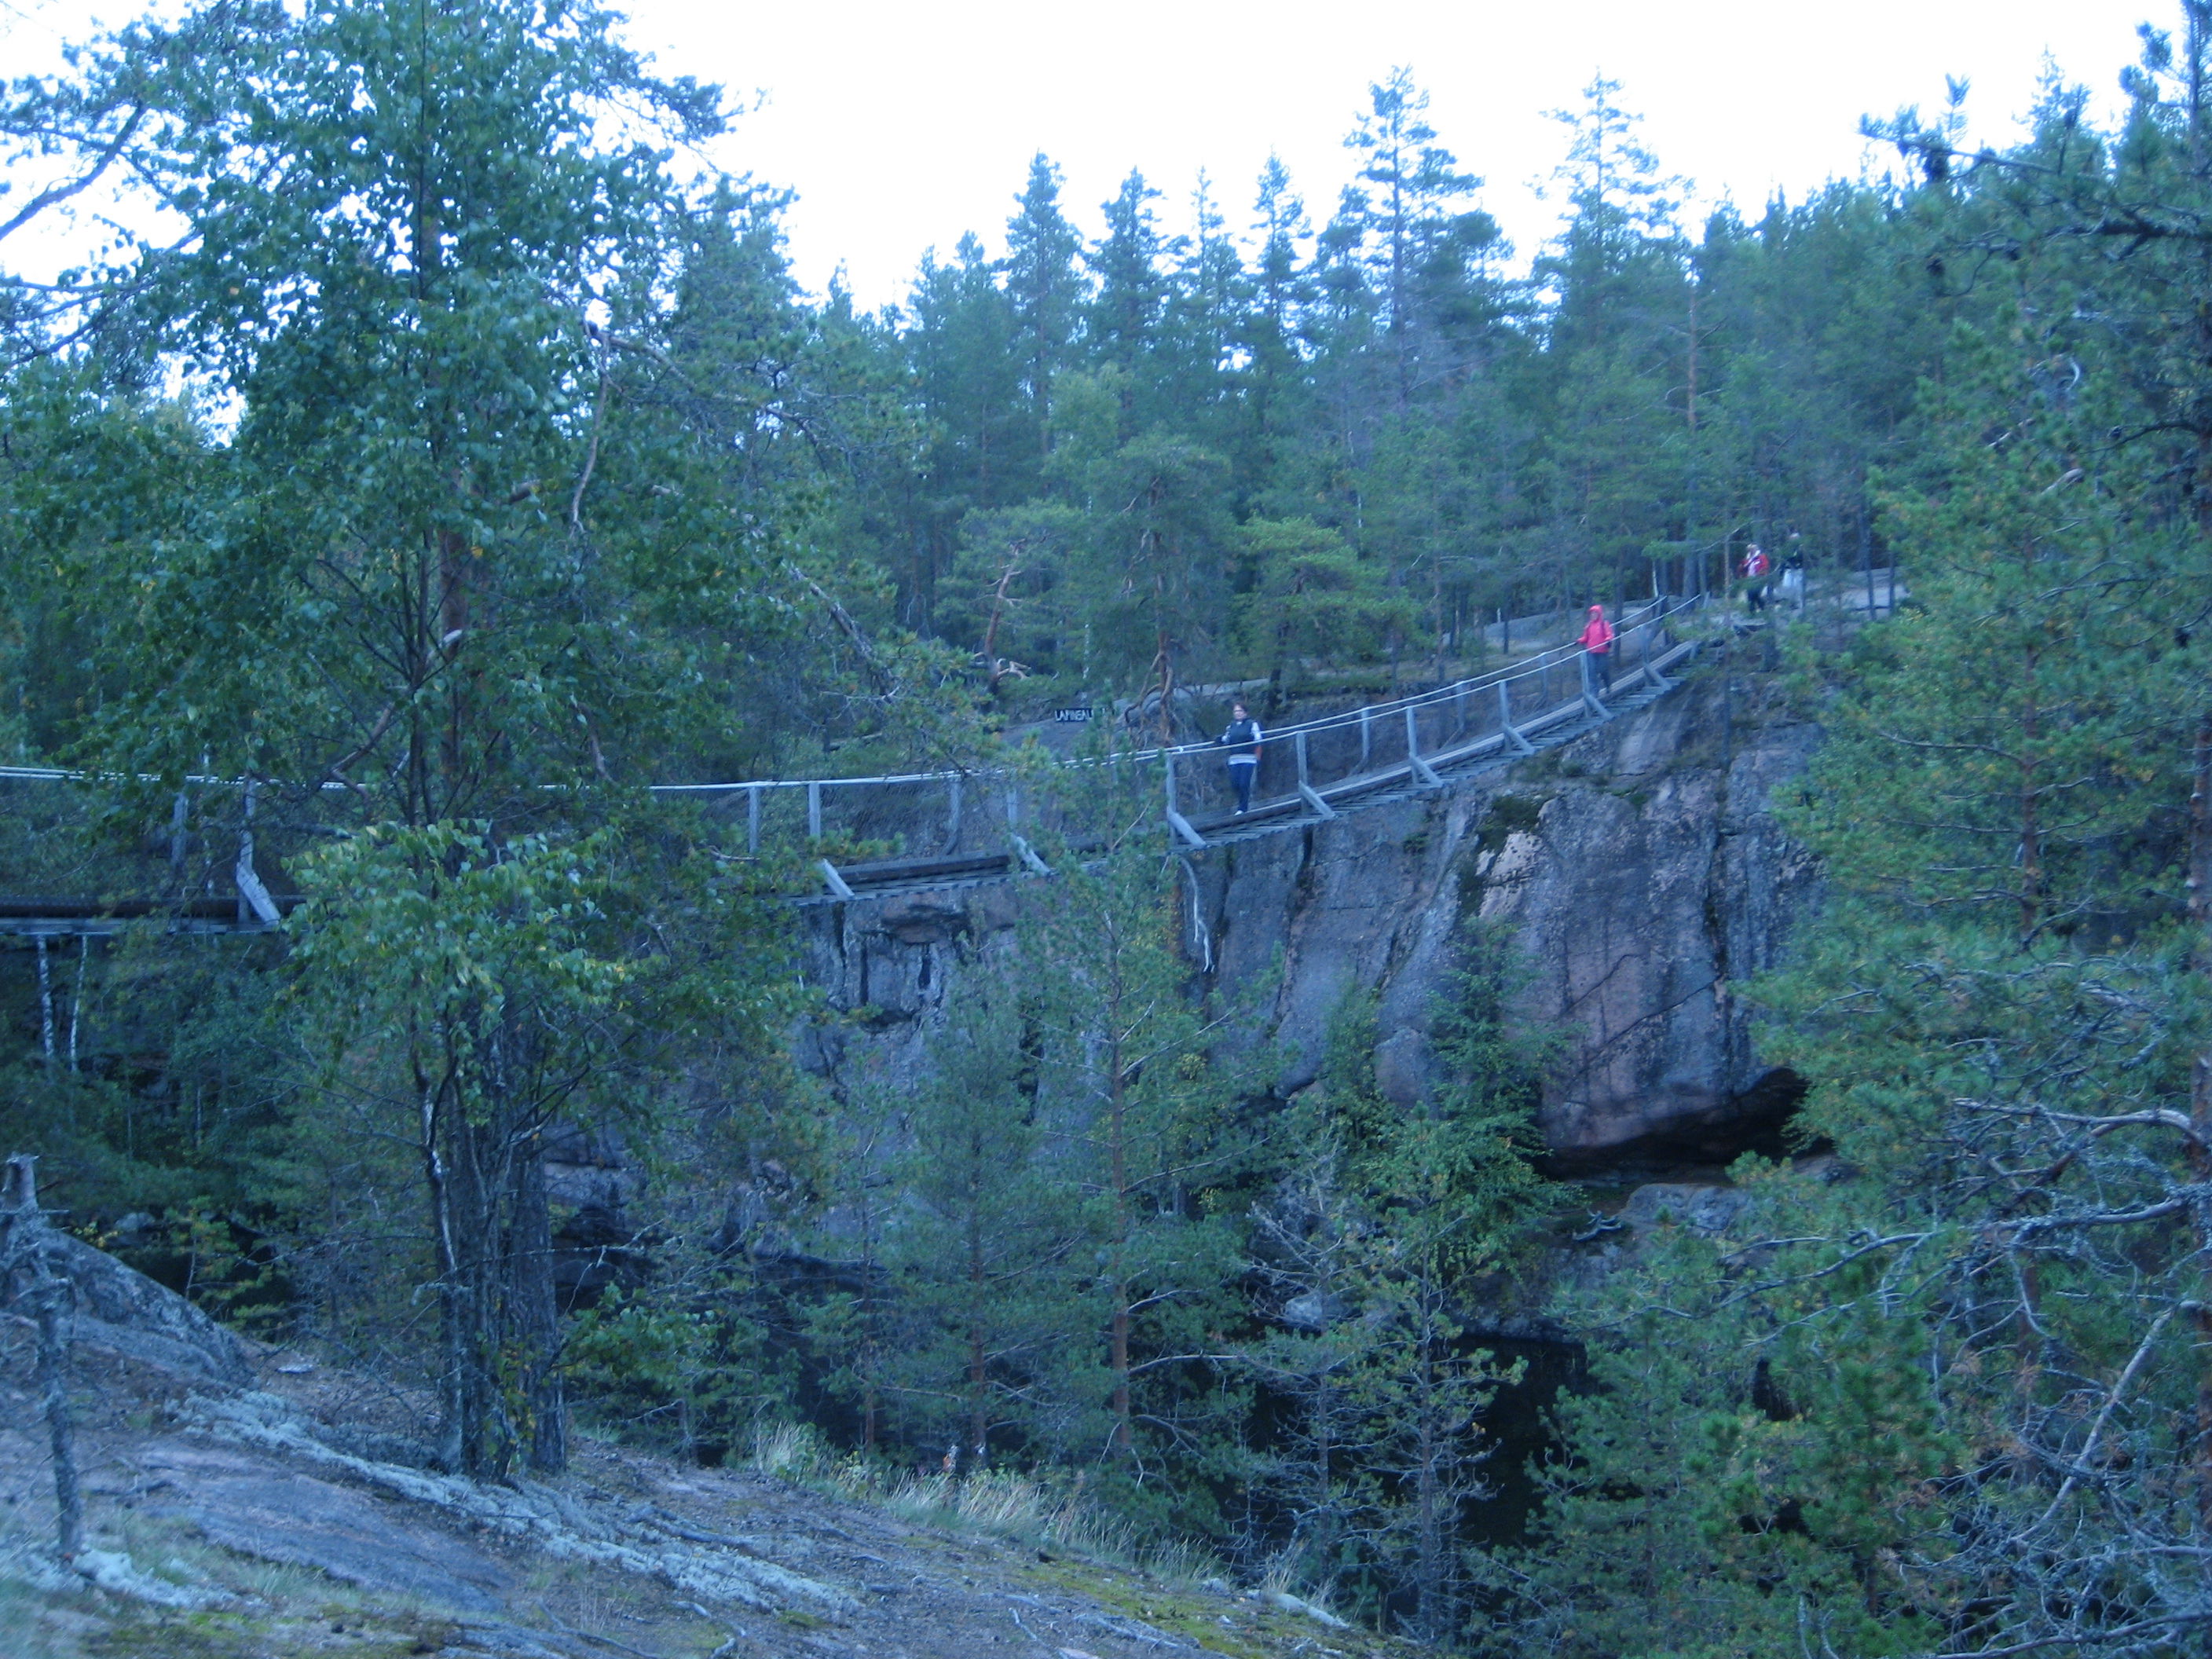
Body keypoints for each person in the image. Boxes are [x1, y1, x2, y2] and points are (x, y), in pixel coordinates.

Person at [1217, 701, 1263, 814]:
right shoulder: (1231, 726)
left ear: (1245, 713)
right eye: (1236, 711)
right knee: (1235, 783)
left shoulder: (1252, 724)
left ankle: (1243, 808)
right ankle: (1241, 805)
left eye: (1240, 711)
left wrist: (1257, 751)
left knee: (1244, 783)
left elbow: (1259, 738)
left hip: (1248, 758)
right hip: (1234, 759)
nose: (1238, 713)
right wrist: (1219, 740)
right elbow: (1227, 739)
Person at [1578, 603, 1615, 694]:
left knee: (1603, 670)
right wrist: (1579, 641)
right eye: (1592, 614)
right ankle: (1595, 692)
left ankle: (1608, 685)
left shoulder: (1604, 623)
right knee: (1592, 671)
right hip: (1591, 651)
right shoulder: (1589, 625)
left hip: (1602, 651)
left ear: (1599, 614)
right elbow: (1586, 638)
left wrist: (1607, 640)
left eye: (1595, 613)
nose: (1593, 615)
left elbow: (1609, 634)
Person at [1741, 542, 1771, 613]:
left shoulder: (1761, 557)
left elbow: (1765, 567)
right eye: (1749, 549)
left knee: (1756, 593)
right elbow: (1743, 569)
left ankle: (1762, 609)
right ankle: (1752, 612)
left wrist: (1759, 574)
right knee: (1750, 595)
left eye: (1752, 549)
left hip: (1759, 578)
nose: (1751, 551)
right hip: (1749, 579)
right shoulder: (1747, 559)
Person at [1779, 535, 1805, 612]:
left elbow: (1803, 559)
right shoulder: (1788, 549)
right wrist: (1781, 570)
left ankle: (1797, 603)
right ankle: (1790, 602)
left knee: (1797, 587)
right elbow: (1783, 559)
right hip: (1788, 570)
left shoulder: (1801, 548)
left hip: (1798, 570)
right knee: (1787, 586)